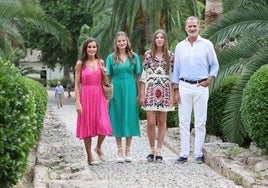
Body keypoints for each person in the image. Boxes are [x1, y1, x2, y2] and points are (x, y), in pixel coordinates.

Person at [172, 16, 219, 164]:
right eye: (189, 26)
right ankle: (184, 153)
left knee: (200, 122)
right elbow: (176, 70)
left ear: (199, 27)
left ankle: (198, 153)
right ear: (185, 28)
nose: (192, 29)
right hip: (184, 86)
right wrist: (175, 90)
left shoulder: (207, 44)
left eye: (194, 26)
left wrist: (208, 81)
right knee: (184, 122)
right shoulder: (180, 47)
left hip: (201, 86)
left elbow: (215, 65)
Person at [74, 38, 112, 165]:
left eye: (94, 47)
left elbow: (105, 83)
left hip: (99, 94)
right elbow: (76, 84)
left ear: (97, 49)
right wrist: (78, 102)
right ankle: (90, 156)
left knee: (104, 123)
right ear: (85, 49)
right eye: (89, 47)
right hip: (86, 95)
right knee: (87, 125)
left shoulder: (100, 62)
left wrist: (105, 74)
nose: (92, 49)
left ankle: (98, 147)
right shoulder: (80, 63)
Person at [139, 29, 174, 163]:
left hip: (165, 90)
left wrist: (172, 94)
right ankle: (151, 149)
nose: (159, 39)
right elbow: (143, 76)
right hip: (150, 89)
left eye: (162, 37)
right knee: (151, 122)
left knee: (162, 121)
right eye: (157, 37)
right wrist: (142, 94)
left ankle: (159, 150)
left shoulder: (170, 56)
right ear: (154, 40)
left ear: (165, 40)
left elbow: (172, 77)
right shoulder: (148, 55)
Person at [106, 31, 141, 163]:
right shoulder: (111, 58)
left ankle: (128, 149)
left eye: (123, 40)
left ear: (127, 42)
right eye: (119, 41)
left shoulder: (134, 57)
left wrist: (140, 93)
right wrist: (107, 95)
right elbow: (108, 77)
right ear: (116, 43)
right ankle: (119, 149)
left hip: (131, 88)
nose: (121, 43)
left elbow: (138, 76)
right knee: (117, 116)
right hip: (116, 88)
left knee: (130, 116)